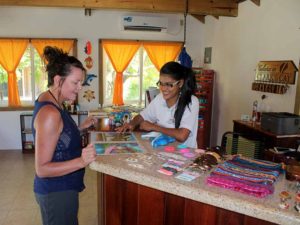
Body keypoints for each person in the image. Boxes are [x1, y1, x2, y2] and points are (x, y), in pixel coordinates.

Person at [32, 46, 97, 225]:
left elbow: (59, 136)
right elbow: (42, 169)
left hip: (62, 187)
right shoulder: (50, 113)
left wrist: (80, 128)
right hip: (56, 191)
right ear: (58, 80)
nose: (79, 89)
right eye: (75, 83)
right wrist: (82, 162)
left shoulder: (53, 100)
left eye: (80, 84)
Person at [116, 61, 199, 148]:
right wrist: (132, 123)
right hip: (165, 151)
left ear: (180, 83)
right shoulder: (159, 99)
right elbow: (143, 116)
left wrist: (154, 127)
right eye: (161, 84)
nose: (163, 89)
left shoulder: (191, 102)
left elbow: (182, 135)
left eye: (169, 85)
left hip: (185, 154)